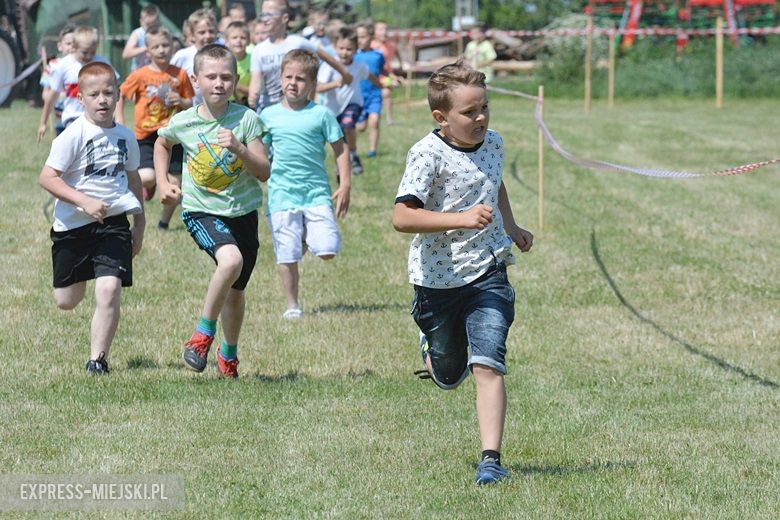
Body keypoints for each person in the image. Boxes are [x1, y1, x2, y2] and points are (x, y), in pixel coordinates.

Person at [392, 59, 533, 485]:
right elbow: (402, 217)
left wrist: (510, 225)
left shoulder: (494, 143)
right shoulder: (426, 153)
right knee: (450, 372)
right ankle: (433, 351)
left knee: (488, 362)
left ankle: (491, 458)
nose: (481, 118)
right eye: (469, 112)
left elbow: (494, 181)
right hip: (437, 278)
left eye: (484, 107)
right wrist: (459, 217)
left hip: (488, 269)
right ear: (442, 117)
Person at [154, 44, 270, 378]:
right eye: (211, 76)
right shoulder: (185, 121)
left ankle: (228, 356)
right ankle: (201, 337)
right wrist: (163, 183)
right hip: (201, 210)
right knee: (230, 261)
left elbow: (263, 171)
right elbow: (162, 144)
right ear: (195, 79)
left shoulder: (248, 120)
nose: (218, 83)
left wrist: (239, 148)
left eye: (226, 77)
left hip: (244, 212)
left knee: (236, 290)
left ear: (236, 80)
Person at [38, 61, 145, 374]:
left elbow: (134, 180)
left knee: (109, 288)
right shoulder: (72, 135)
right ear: (81, 99)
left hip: (113, 224)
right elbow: (47, 178)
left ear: (117, 96)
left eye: (109, 93)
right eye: (94, 94)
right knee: (66, 300)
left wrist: (139, 224)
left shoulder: (126, 137)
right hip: (73, 227)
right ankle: (84, 272)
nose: (102, 100)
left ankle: (97, 360)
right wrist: (83, 200)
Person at [260, 49, 350, 319]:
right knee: (287, 256)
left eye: (300, 79)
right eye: (288, 76)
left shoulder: (321, 114)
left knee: (327, 251)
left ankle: (307, 237)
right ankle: (292, 306)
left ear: (312, 84)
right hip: (281, 195)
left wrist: (345, 184)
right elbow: (259, 154)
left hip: (316, 194)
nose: (293, 83)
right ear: (280, 78)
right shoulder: (268, 115)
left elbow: (341, 149)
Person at [115, 24, 194, 229]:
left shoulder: (180, 74)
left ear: (172, 47)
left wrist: (180, 101)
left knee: (175, 185)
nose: (161, 50)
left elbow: (190, 103)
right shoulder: (140, 75)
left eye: (165, 45)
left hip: (173, 136)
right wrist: (120, 122)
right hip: (146, 135)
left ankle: (163, 224)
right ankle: (145, 190)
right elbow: (121, 94)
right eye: (156, 47)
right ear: (148, 51)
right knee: (148, 177)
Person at [247, 0, 352, 114]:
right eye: (263, 14)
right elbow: (256, 79)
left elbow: (325, 56)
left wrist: (345, 73)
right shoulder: (259, 49)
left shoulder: (297, 43)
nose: (265, 19)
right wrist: (253, 95)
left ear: (284, 18)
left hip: (294, 108)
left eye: (270, 14)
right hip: (268, 109)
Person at [316, 27, 380, 176]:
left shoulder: (359, 66)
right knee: (337, 138)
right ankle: (343, 163)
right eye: (341, 48)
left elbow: (370, 76)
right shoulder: (329, 66)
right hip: (332, 108)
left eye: (349, 49)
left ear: (356, 49)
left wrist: (381, 85)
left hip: (353, 103)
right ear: (335, 47)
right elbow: (318, 88)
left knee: (348, 124)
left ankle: (353, 153)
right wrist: (335, 84)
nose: (344, 52)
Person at [38, 26, 112, 143]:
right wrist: (43, 122)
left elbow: (115, 90)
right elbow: (51, 97)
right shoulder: (63, 66)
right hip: (73, 118)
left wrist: (118, 117)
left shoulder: (102, 63)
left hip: (98, 117)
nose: (89, 56)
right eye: (85, 52)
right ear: (74, 47)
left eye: (92, 52)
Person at [171, 8, 218, 105]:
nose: (207, 36)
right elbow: (167, 79)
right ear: (192, 35)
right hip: (189, 114)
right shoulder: (183, 56)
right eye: (202, 32)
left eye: (211, 31)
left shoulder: (222, 55)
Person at [354, 23, 384, 159]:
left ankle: (372, 151)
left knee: (374, 121)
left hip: (374, 95)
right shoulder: (353, 56)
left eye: (363, 36)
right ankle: (352, 148)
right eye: (357, 37)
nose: (360, 40)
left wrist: (392, 78)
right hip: (359, 96)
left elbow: (384, 71)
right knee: (360, 127)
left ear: (370, 37)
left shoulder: (378, 55)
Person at [39, 24, 76, 137]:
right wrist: (51, 97)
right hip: (60, 119)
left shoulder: (81, 66)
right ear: (60, 46)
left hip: (77, 116)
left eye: (75, 44)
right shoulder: (53, 66)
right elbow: (45, 93)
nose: (72, 47)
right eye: (68, 44)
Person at [371, 21, 404, 125]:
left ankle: (389, 118)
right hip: (373, 75)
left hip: (386, 74)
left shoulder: (390, 44)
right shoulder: (371, 45)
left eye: (385, 29)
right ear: (374, 32)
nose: (384, 32)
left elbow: (396, 52)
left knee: (386, 93)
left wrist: (400, 64)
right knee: (378, 94)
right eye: (380, 29)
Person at [122, 4, 161, 72]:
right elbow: (126, 54)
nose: (150, 28)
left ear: (158, 22)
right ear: (141, 22)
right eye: (148, 25)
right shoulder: (137, 34)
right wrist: (145, 49)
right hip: (139, 72)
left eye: (153, 25)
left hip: (157, 71)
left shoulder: (162, 34)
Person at [224, 21, 251, 105]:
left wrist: (233, 83)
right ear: (227, 41)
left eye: (243, 38)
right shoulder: (223, 61)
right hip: (225, 102)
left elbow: (253, 90)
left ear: (249, 41)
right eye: (234, 37)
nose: (238, 40)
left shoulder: (253, 59)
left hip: (246, 102)